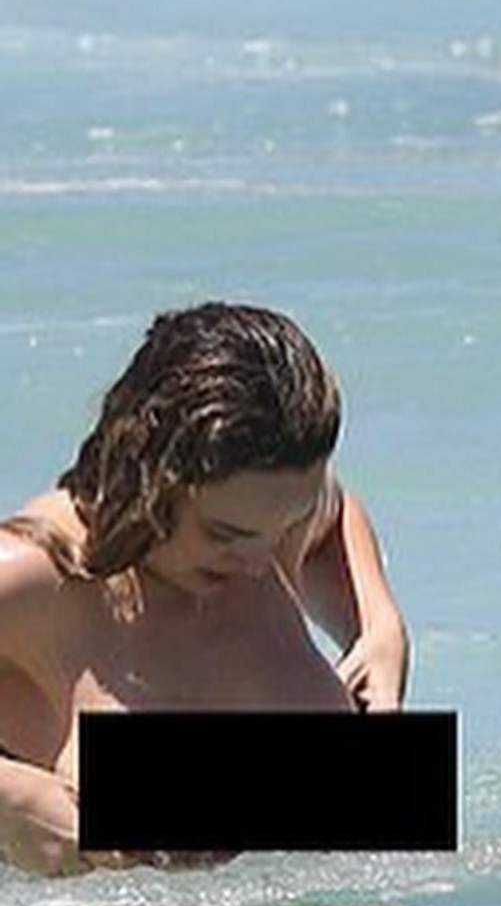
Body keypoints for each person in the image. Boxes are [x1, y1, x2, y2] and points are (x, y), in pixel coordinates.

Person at [0, 302, 409, 875]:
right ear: (151, 474)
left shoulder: (265, 519)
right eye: (225, 534)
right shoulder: (33, 575)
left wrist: (378, 623)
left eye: (284, 524)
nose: (261, 561)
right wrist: (12, 799)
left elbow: (335, 513)